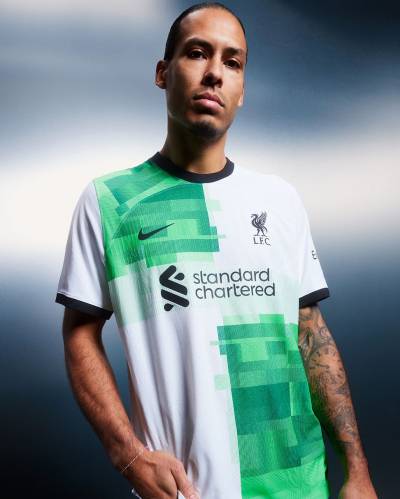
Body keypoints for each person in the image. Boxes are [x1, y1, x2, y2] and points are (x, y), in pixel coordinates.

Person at [55, 2, 378, 498]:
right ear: (163, 73)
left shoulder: (279, 200)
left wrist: (356, 469)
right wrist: (128, 454)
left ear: (242, 90)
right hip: (189, 490)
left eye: (233, 62)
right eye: (197, 53)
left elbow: (310, 332)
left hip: (297, 483)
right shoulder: (111, 201)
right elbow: (80, 333)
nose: (214, 73)